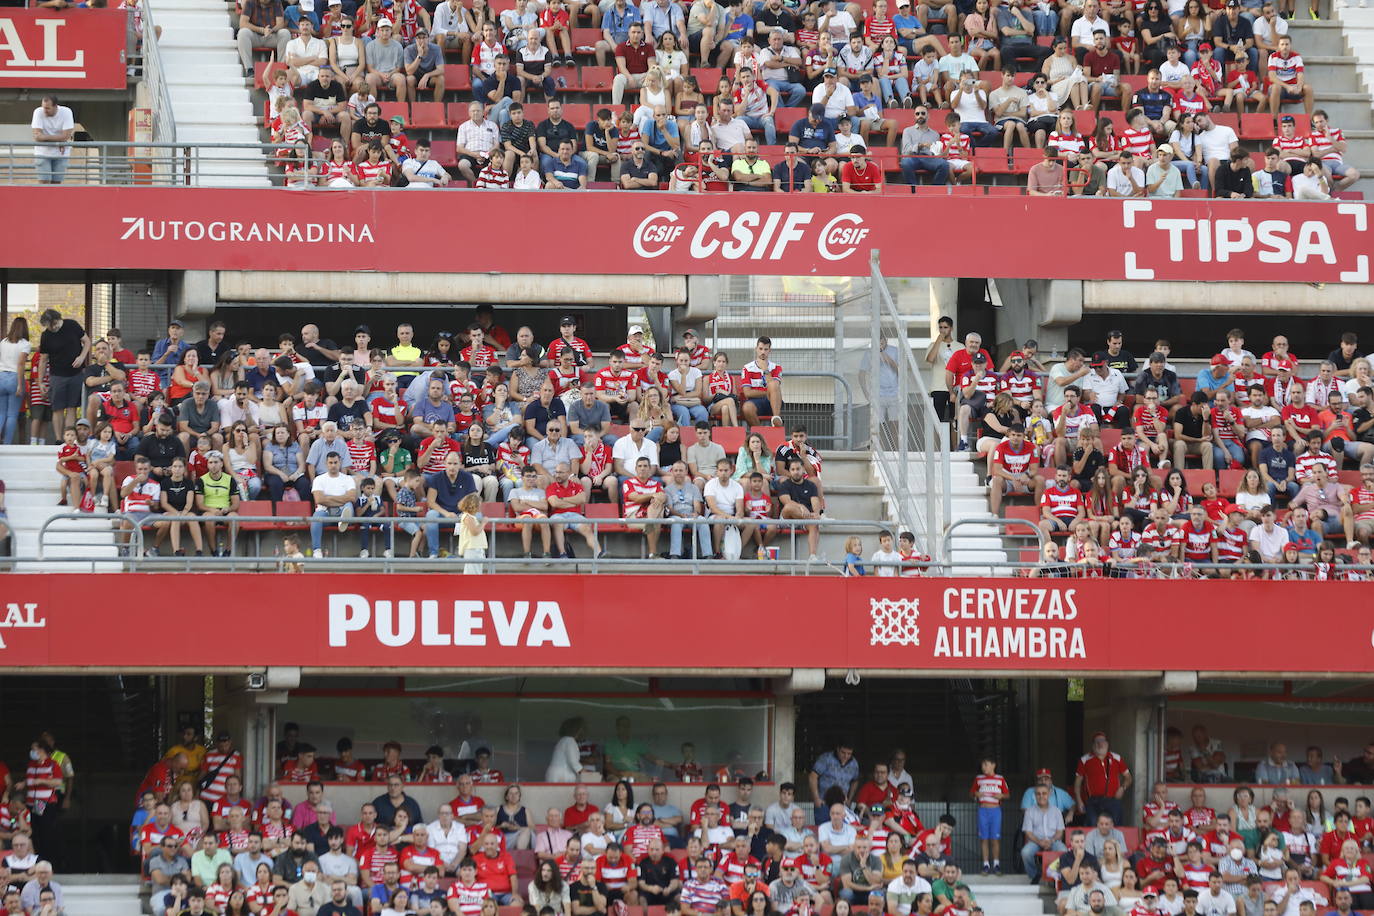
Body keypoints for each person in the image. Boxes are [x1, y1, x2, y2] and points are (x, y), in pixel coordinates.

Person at [1022, 785, 1067, 884]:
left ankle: (1056, 874)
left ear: (1049, 794)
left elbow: (1060, 832)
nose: (1041, 796)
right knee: (1025, 852)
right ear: (1035, 795)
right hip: (1035, 841)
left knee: (1063, 851)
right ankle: (1034, 875)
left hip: (1053, 840)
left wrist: (1051, 841)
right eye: (1038, 794)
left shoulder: (1056, 811)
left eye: (1044, 793)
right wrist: (1039, 842)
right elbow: (1028, 832)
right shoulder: (1029, 811)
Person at [30, 96, 75, 184]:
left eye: (47, 108)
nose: (44, 111)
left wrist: (44, 137)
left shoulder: (66, 112)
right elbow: (37, 137)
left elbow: (66, 136)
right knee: (44, 183)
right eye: (43, 107)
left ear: (55, 106)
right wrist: (60, 141)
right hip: (42, 153)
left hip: (61, 154)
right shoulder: (38, 112)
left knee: (56, 184)